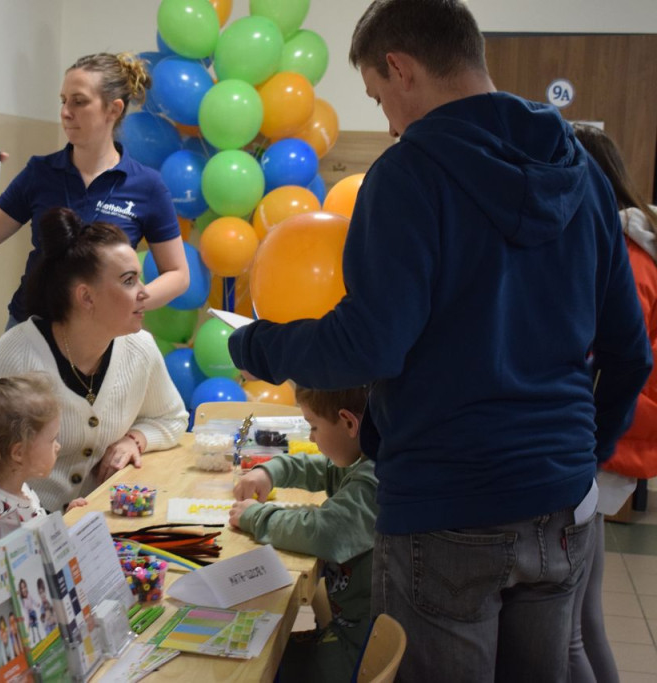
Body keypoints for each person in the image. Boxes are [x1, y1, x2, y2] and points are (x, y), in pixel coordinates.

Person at [226, 1, 653, 680]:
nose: (389, 123)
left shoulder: (408, 174)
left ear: (400, 68)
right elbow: (631, 353)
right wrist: (583, 452)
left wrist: (255, 346)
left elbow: (371, 344)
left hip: (448, 502)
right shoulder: (580, 172)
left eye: (378, 97)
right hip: (561, 499)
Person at [0, 207, 187, 514]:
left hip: (82, 528)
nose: (143, 292)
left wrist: (134, 440)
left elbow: (172, 419)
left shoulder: (140, 348)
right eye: (129, 281)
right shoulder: (17, 355)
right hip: (10, 535)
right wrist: (43, 522)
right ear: (86, 297)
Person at [0, 52, 189, 328]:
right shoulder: (40, 172)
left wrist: (131, 300)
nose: (65, 112)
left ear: (113, 110)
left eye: (79, 102)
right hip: (32, 330)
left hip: (104, 335)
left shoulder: (146, 185)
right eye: (64, 101)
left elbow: (178, 274)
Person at [569, 124, 657, 683]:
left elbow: (614, 355)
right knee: (586, 617)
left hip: (611, 439)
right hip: (615, 435)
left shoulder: (623, 253)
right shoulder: (631, 242)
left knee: (575, 625)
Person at [230, 385, 377, 682]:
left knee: (265, 663)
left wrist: (257, 517)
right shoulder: (364, 459)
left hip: (359, 647)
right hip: (348, 626)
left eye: (313, 427)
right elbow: (320, 469)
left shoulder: (374, 477)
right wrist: (270, 471)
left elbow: (326, 532)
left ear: (349, 422)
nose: (310, 437)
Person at [0, 372, 88, 522]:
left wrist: (65, 522)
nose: (58, 447)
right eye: (52, 440)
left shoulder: (22, 491)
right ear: (18, 453)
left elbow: (39, 536)